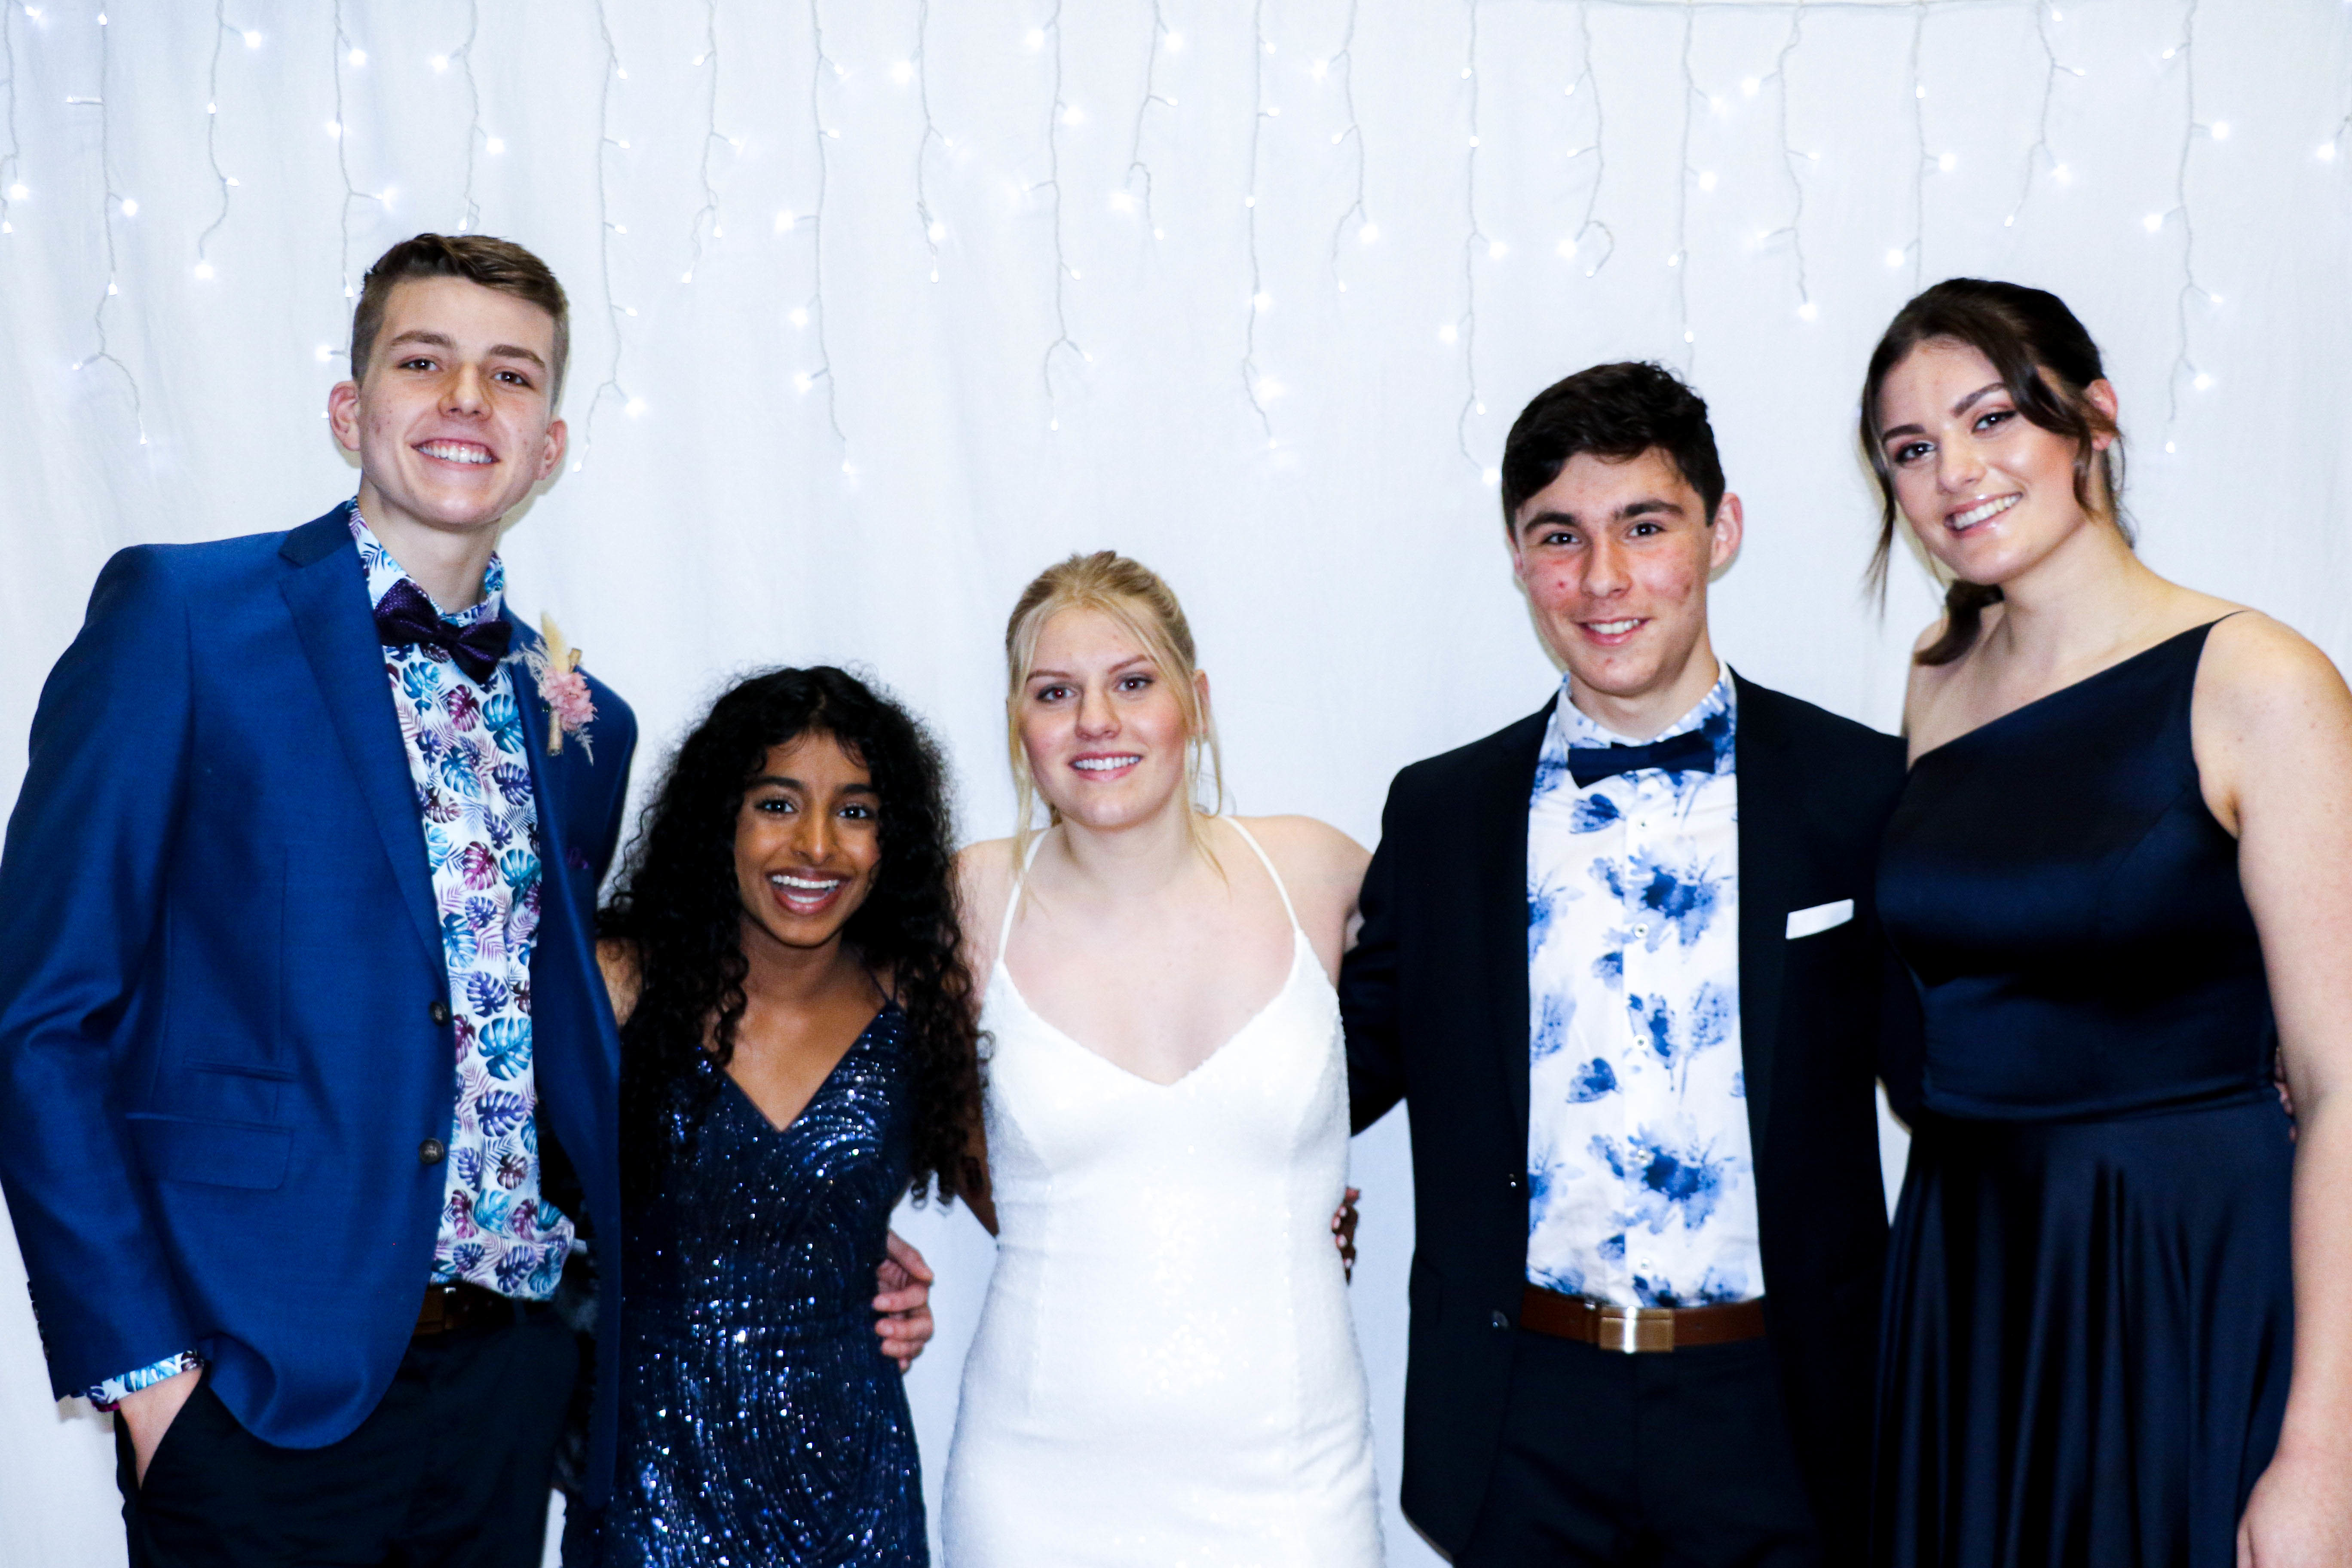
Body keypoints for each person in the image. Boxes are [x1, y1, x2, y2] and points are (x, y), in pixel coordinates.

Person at [0, 234, 638, 1563]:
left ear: (550, 447)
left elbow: (551, 1040)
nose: (467, 398)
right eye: (425, 361)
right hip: (254, 1394)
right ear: (351, 410)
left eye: (510, 374)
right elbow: (44, 1016)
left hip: (506, 1386)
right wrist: (149, 1380)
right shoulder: (182, 619)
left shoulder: (583, 722)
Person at [1341, 362, 1911, 1566]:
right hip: (1522, 1417)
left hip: (1785, 1413)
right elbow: (1335, 1074)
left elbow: (1964, 1062)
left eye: (1645, 527)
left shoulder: (1861, 790)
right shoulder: (1441, 815)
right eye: (1562, 536)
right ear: (1519, 557)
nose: (1603, 578)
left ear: (1721, 532)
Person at [1863, 279, 2352, 1567]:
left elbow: (2345, 1089)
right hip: (1969, 1276)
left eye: (1991, 419)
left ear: (2093, 418)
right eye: (1911, 449)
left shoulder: (2259, 682)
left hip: (2180, 1274)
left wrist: (2326, 1455)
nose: (1955, 472)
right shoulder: (1936, 681)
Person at [941, 551, 1383, 1565]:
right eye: (1056, 693)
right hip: (1035, 1492)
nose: (1097, 722)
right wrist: (842, 1246)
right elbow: (808, 1040)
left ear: (1198, 702)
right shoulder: (965, 900)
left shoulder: (1315, 871)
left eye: (1134, 682)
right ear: (1018, 723)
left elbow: (1485, 1026)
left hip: (1297, 1493)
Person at [593, 667, 981, 1566]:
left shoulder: (919, 1003)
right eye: (777, 804)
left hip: (857, 1495)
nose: (816, 847)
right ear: (718, 819)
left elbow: (1040, 1208)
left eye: (856, 812)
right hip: (655, 1490)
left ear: (891, 839)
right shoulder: (619, 983)